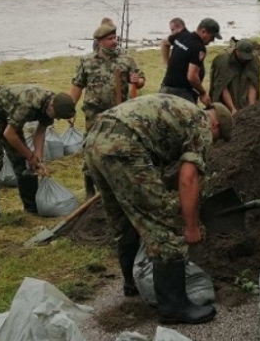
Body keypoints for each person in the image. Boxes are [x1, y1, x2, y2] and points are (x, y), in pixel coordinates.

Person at [84, 94, 233, 323]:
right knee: (164, 224)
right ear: (215, 125)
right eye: (217, 138)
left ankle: (132, 283)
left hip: (95, 139)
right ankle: (174, 307)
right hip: (123, 145)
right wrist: (191, 226)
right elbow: (188, 179)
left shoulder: (181, 108)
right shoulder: (202, 125)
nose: (212, 143)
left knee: (125, 220)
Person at [0, 85, 76, 220]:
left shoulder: (53, 105)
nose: (56, 119)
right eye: (56, 116)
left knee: (20, 160)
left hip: (10, 116)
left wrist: (37, 157)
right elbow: (10, 134)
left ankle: (31, 207)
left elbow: (40, 131)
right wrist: (30, 155)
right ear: (51, 106)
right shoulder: (28, 104)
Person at [71, 20, 146, 199]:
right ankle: (90, 187)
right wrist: (70, 109)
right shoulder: (87, 61)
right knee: (91, 148)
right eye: (110, 38)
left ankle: (117, 183)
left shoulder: (125, 59)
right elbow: (77, 85)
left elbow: (141, 80)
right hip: (94, 114)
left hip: (119, 114)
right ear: (100, 41)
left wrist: (137, 80)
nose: (114, 41)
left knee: (118, 148)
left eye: (115, 38)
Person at [160, 18, 221, 105]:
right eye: (212, 37)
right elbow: (192, 76)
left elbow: (164, 43)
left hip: (165, 88)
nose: (213, 40)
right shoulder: (199, 47)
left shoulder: (182, 35)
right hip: (181, 93)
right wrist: (202, 93)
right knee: (193, 118)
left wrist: (167, 65)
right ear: (204, 32)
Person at [209, 39, 260, 115]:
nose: (244, 59)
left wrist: (251, 108)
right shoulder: (223, 60)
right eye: (243, 55)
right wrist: (232, 109)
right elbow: (222, 87)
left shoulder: (253, 58)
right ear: (236, 50)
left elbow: (253, 83)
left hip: (243, 93)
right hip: (227, 95)